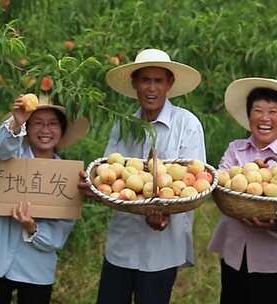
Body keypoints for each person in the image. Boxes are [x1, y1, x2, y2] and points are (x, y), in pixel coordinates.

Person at [78, 48, 205, 304]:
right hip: (122, 243)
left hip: (163, 247)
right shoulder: (124, 124)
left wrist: (163, 214)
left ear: (169, 84)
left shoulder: (187, 124)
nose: (151, 88)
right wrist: (94, 185)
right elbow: (109, 174)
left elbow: (193, 182)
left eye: (158, 81)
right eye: (145, 80)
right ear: (135, 84)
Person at [0, 94, 88, 304]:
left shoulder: (66, 177)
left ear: (62, 130)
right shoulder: (10, 157)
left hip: (36, 270)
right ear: (28, 128)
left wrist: (32, 227)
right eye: (37, 123)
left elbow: (59, 235)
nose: (45, 130)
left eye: (53, 124)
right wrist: (17, 123)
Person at [208, 78, 277, 304]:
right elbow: (222, 183)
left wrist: (276, 223)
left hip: (276, 260)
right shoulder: (236, 149)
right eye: (258, 111)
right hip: (236, 252)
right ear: (249, 116)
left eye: (273, 111)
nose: (265, 118)